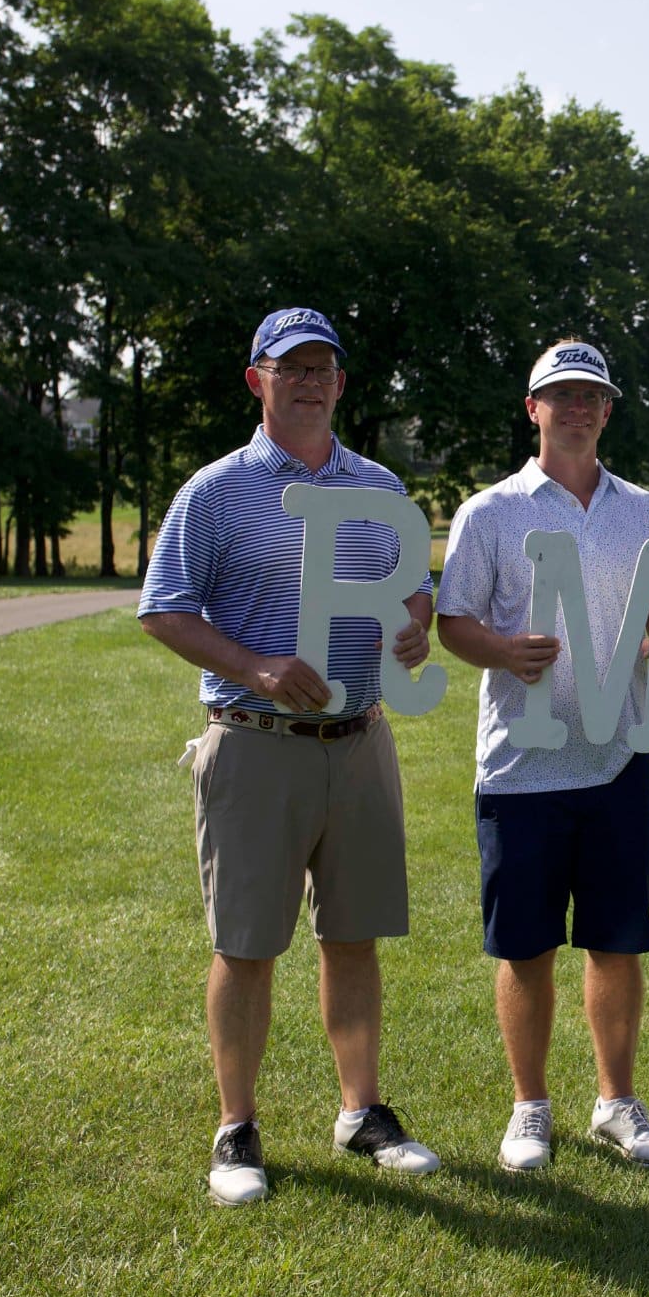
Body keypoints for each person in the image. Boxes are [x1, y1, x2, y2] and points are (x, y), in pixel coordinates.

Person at [140, 307, 441, 1206]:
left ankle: (362, 1111)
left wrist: (414, 630)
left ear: (342, 383)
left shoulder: (382, 487)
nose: (309, 380)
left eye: (323, 367)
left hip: (359, 739)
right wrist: (255, 666)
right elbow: (164, 607)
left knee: (353, 936)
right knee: (247, 943)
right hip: (256, 741)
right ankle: (237, 1127)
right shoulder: (216, 490)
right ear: (256, 379)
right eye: (290, 366)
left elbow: (413, 594)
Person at [436, 338, 649, 1172]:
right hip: (522, 767)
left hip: (619, 761)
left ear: (607, 410)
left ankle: (616, 1100)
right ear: (532, 407)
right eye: (561, 394)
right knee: (526, 946)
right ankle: (530, 1107)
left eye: (592, 396)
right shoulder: (492, 511)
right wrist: (503, 650)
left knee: (618, 940)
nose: (577, 408)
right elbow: (454, 620)